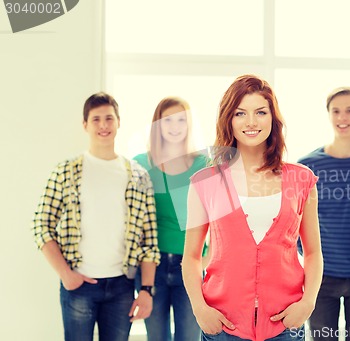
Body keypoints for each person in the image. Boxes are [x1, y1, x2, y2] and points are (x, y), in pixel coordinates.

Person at [182, 74, 323, 341]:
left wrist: (307, 303)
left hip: (284, 325)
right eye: (240, 113)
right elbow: (191, 256)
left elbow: (314, 251)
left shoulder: (302, 179)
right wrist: (200, 309)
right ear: (228, 120)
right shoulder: (205, 182)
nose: (251, 122)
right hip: (223, 325)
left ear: (273, 118)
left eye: (260, 112)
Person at [32, 92, 160, 341]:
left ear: (119, 122)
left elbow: (149, 239)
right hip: (79, 286)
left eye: (109, 119)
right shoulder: (66, 171)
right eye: (96, 119)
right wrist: (65, 274)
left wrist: (146, 290)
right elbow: (41, 224)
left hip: (122, 286)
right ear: (85, 125)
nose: (103, 125)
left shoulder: (138, 175)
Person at [298, 87, 350, 340]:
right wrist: (305, 255)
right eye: (336, 111)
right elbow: (295, 220)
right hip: (321, 279)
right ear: (328, 116)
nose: (342, 117)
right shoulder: (308, 166)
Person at [133, 96, 208, 341]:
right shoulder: (140, 165)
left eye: (181, 120)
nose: (175, 126)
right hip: (150, 268)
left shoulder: (203, 165)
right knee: (156, 337)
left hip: (192, 264)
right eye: (168, 120)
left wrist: (206, 261)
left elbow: (218, 219)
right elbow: (134, 221)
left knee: (189, 336)